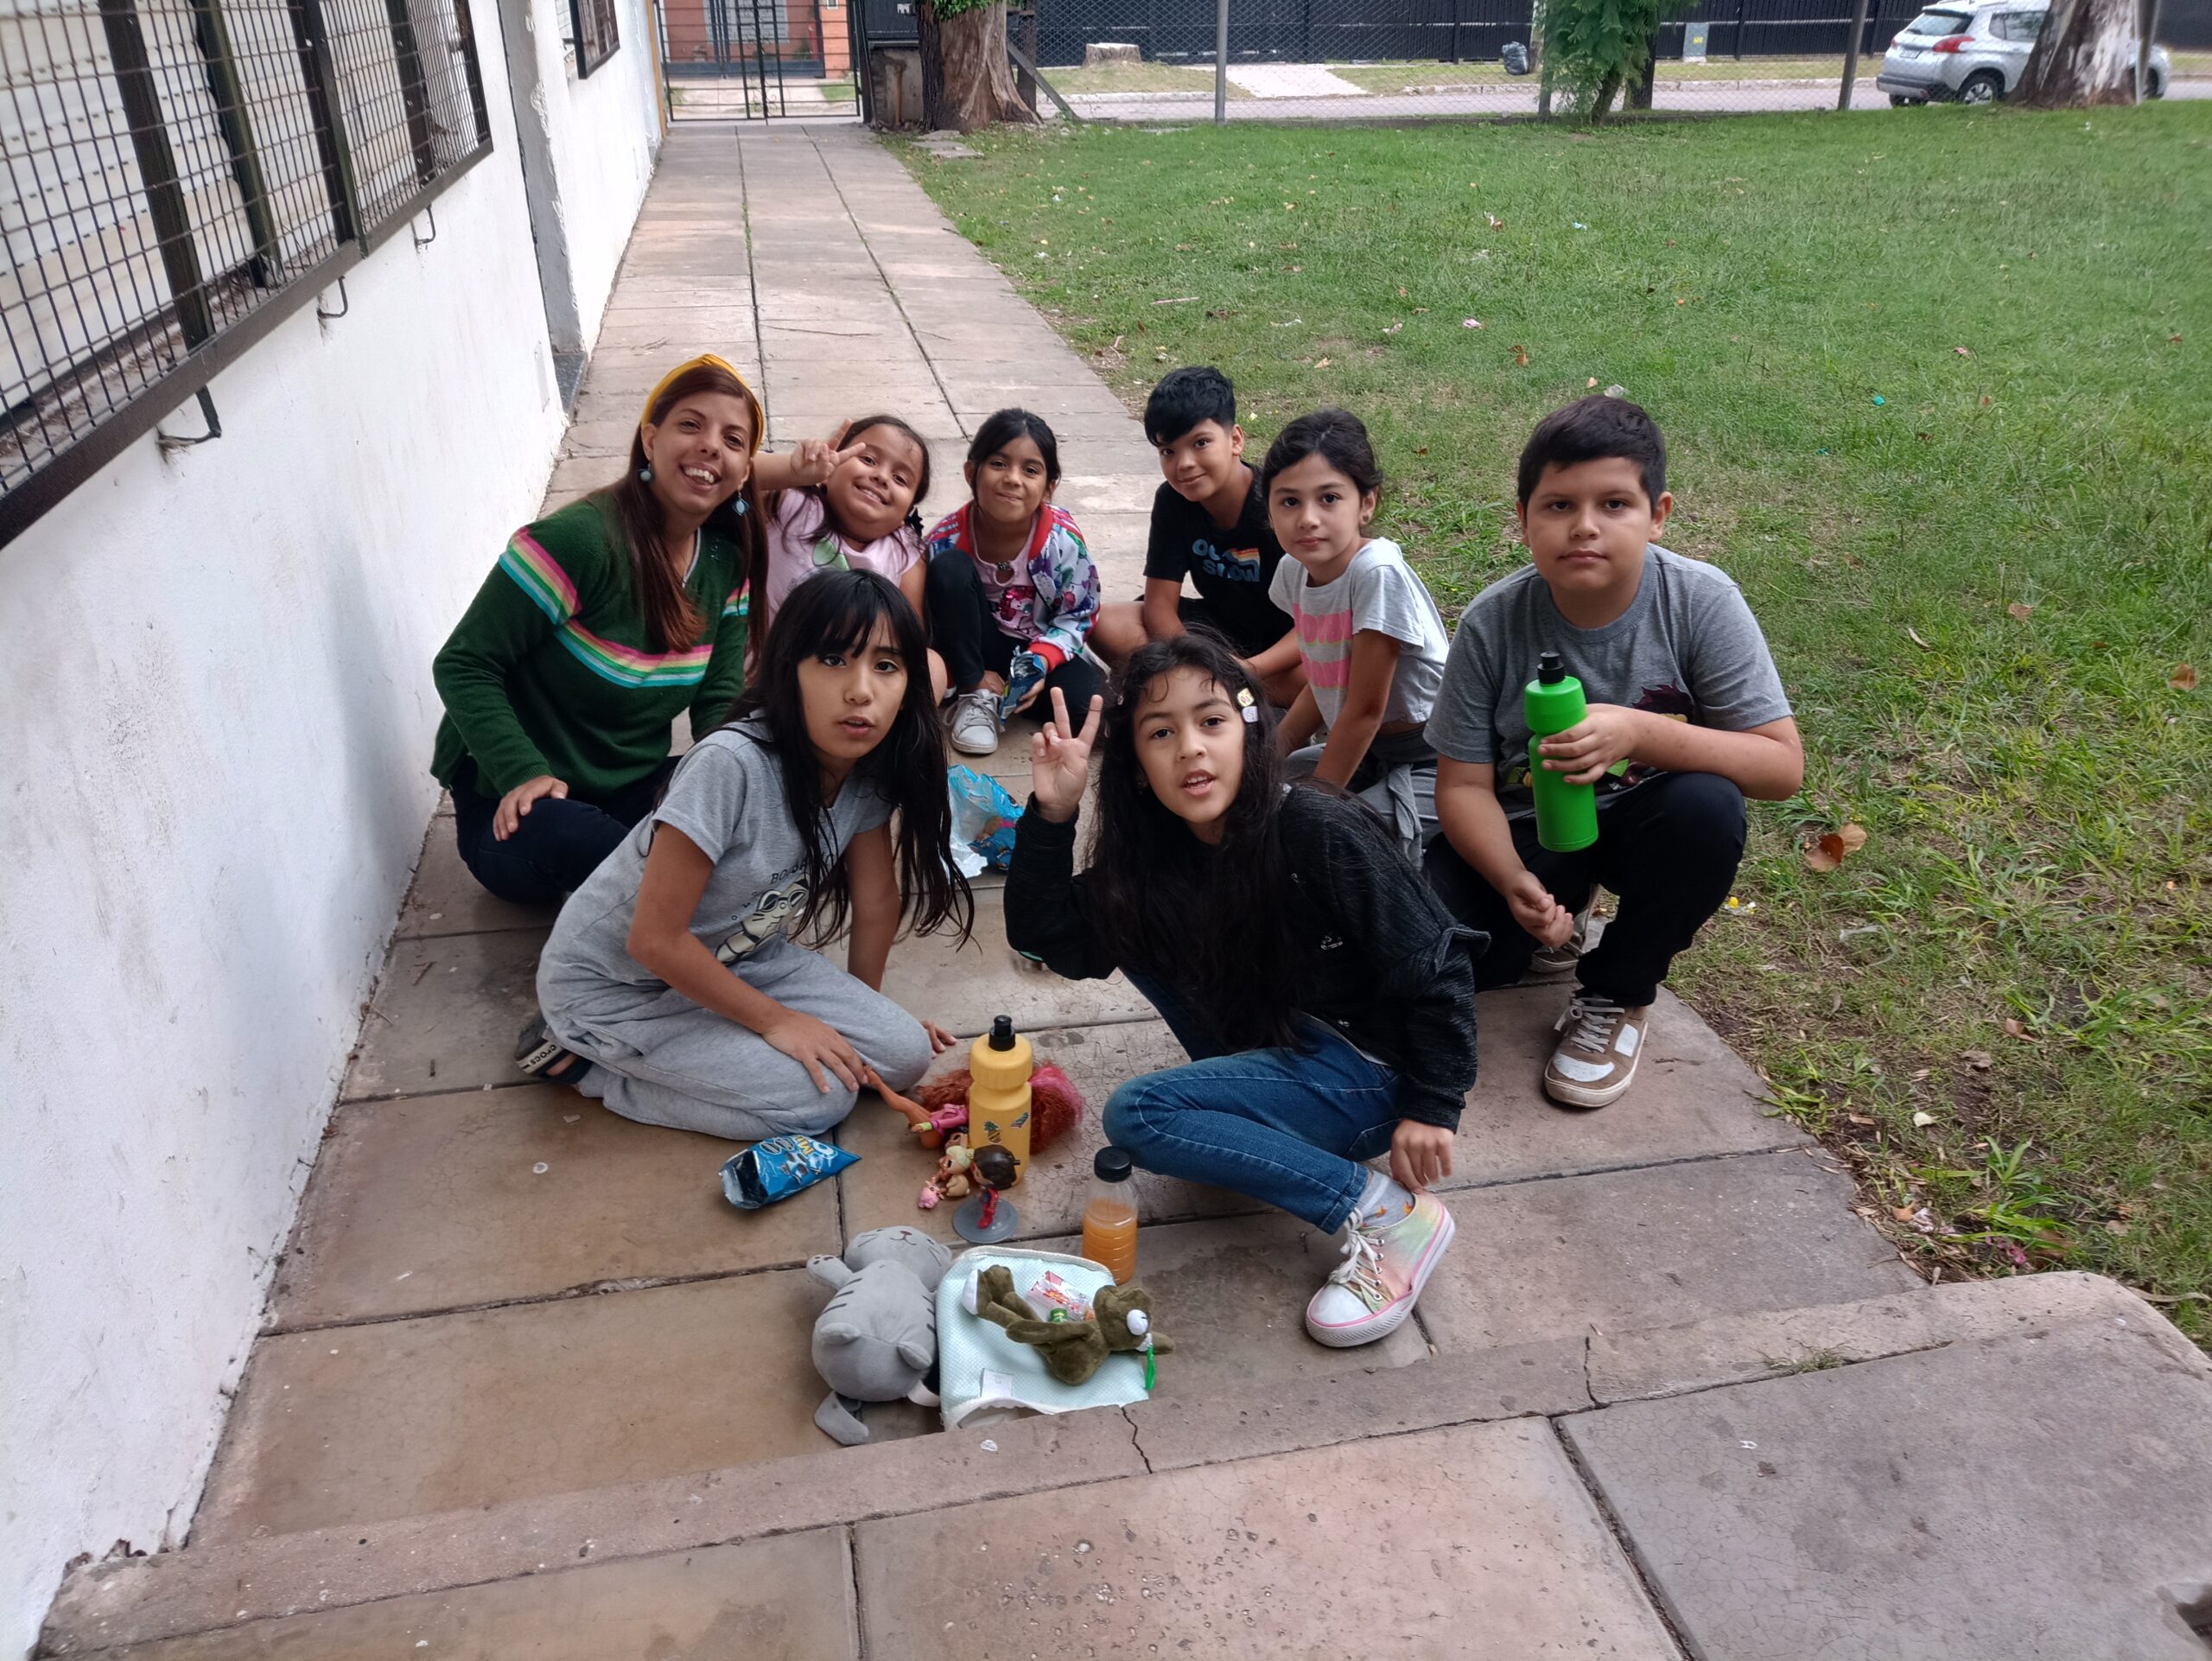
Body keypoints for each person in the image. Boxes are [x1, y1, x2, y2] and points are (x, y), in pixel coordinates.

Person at [1004, 634, 1480, 1350]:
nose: (1191, 748)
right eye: (1161, 733)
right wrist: (1051, 816)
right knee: (1136, 920)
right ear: (1137, 769)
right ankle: (1255, 1116)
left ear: (1250, 732)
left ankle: (1387, 1215)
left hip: (1373, 1071)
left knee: (1142, 1114)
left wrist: (1434, 1106)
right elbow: (1047, 938)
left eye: (1212, 721)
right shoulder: (1155, 859)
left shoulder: (1316, 827)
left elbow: (1437, 962)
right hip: (1289, 1033)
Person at [1424, 395, 1803, 1111]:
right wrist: (1511, 879)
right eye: (1559, 506)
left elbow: (1782, 767)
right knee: (1452, 952)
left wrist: (1640, 733)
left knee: (1707, 808)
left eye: (1615, 505)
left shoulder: (1699, 601)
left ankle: (1618, 991)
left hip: (1649, 822)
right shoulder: (1492, 623)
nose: (1585, 527)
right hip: (1532, 829)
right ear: (1523, 520)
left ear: (1658, 514)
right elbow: (1463, 786)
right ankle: (1555, 917)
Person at [521, 570, 972, 1138]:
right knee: (817, 1103)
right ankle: (588, 1066)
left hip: (742, 958)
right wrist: (776, 1021)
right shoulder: (729, 765)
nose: (861, 690)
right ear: (788, 670)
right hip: (619, 989)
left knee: (903, 1055)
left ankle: (721, 1032)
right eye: (834, 660)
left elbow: (877, 900)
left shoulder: (866, 770)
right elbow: (654, 940)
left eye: (886, 665)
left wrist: (862, 1018)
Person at [431, 353, 760, 905]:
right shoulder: (579, 541)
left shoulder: (725, 562)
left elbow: (718, 698)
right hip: (525, 811)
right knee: (596, 844)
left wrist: (744, 781)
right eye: (690, 425)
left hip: (632, 790)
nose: (710, 447)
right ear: (650, 440)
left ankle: (672, 902)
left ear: (745, 471)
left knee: (754, 801)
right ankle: (685, 919)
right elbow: (464, 663)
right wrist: (521, 772)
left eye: (732, 440)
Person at [1261, 408, 1452, 853]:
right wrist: (1269, 754)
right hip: (1370, 751)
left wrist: (1320, 806)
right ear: (1268, 509)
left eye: (1329, 498)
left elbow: (1365, 710)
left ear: (1366, 504)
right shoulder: (1293, 570)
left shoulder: (1376, 573)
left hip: (1435, 757)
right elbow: (1325, 680)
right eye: (1289, 502)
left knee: (1335, 839)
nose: (1307, 518)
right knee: (1253, 790)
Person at [1088, 366, 1302, 708]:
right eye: (1168, 451)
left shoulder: (1277, 504)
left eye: (1200, 443)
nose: (1184, 463)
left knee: (1326, 673)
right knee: (1104, 622)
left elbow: (1317, 623)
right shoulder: (1172, 501)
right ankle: (1219, 689)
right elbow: (1159, 604)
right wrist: (1199, 659)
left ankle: (1203, 687)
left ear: (1235, 440)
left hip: (1285, 646)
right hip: (1214, 634)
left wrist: (1249, 668)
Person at [924, 408, 1103, 758]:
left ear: (1049, 488)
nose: (1013, 479)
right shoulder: (945, 539)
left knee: (1092, 714)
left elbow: (1080, 613)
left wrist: (1041, 662)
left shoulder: (1062, 541)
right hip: (973, 646)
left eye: (1030, 470)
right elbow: (934, 616)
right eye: (998, 464)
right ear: (971, 472)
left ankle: (1015, 692)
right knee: (948, 569)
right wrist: (969, 675)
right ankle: (976, 694)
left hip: (1037, 645)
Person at [750, 412, 948, 701]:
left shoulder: (905, 550)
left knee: (932, 666)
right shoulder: (790, 504)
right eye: (868, 459)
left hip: (851, 694)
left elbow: (908, 637)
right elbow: (734, 470)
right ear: (831, 466)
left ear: (907, 511)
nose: (881, 477)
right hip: (768, 686)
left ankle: (887, 730)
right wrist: (791, 471)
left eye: (900, 478)